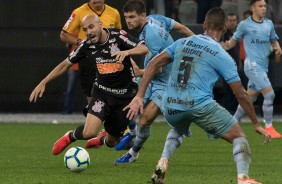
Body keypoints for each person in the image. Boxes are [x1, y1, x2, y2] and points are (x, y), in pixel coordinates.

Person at [124, 7, 271, 184]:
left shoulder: (183, 42)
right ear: (224, 29)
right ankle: (243, 178)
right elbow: (240, 93)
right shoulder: (222, 55)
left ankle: (163, 160)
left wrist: (140, 95)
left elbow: (154, 63)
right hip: (198, 104)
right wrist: (256, 123)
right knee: (239, 137)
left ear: (204, 25)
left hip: (170, 104)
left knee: (179, 128)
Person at [29, 14, 148, 155]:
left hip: (125, 96)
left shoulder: (118, 35)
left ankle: (102, 139)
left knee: (112, 142)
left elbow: (143, 48)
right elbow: (65, 64)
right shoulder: (86, 45)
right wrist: (44, 82)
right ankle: (70, 136)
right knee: (89, 132)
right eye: (85, 29)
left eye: (91, 27)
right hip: (102, 93)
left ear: (100, 24)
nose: (89, 32)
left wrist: (127, 51)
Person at [113, 0, 194, 164]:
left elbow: (157, 69)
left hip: (165, 82)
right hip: (150, 77)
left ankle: (133, 153)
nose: (128, 20)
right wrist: (196, 41)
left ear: (142, 16)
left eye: (132, 17)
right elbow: (181, 28)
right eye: (126, 17)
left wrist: (139, 72)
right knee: (127, 103)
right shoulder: (156, 18)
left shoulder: (152, 36)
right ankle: (131, 131)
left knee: (144, 120)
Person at [222, 0, 282, 139]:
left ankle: (230, 125)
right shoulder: (245, 25)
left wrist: (277, 47)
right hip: (252, 66)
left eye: (264, 6)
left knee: (249, 99)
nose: (263, 8)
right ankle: (269, 127)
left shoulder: (269, 24)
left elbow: (273, 39)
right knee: (270, 94)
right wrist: (222, 46)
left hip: (263, 67)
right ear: (252, 8)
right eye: (260, 6)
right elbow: (232, 42)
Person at [60, 0, 122, 106]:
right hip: (88, 61)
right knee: (92, 99)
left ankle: (127, 121)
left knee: (116, 94)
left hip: (109, 61)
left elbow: (119, 35)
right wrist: (80, 42)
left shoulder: (114, 13)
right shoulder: (78, 12)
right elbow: (63, 34)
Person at [220, 13, 240, 114]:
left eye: (234, 20)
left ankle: (236, 112)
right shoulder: (223, 34)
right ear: (226, 22)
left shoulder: (239, 34)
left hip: (240, 66)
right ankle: (226, 112)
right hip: (227, 67)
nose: (232, 23)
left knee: (239, 90)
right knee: (228, 90)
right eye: (230, 20)